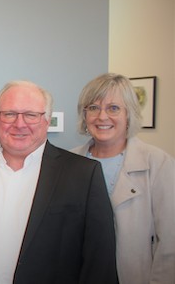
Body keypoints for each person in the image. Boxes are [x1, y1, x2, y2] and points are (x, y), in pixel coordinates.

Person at [0, 80, 118, 284]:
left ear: (47, 120)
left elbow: (100, 260)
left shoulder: (83, 174)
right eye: (9, 114)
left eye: (31, 115)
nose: (19, 124)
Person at [71, 73, 175, 283]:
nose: (102, 117)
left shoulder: (157, 162)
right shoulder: (70, 162)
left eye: (113, 108)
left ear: (129, 114)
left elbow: (170, 243)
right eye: (93, 107)